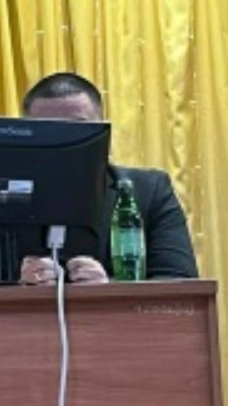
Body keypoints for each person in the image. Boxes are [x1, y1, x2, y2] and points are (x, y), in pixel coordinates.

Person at [17, 72, 198, 285]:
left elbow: (180, 283)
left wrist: (109, 289)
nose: (63, 142)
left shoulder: (149, 191)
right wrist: (18, 287)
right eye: (48, 131)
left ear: (104, 133)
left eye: (78, 129)